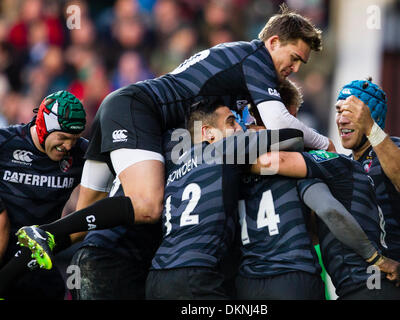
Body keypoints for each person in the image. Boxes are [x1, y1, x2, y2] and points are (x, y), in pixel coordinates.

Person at [16, 4, 336, 274]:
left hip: (122, 105)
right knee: (148, 205)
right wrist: (326, 145)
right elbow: (279, 121)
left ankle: (12, 271)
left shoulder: (238, 65)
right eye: (294, 57)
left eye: (300, 64)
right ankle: (45, 233)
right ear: (274, 42)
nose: (294, 68)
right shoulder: (255, 58)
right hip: (138, 110)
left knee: (78, 227)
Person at [237, 81, 400, 300]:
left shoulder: (327, 163)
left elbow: (326, 215)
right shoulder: (315, 167)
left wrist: (219, 157)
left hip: (369, 284)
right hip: (326, 283)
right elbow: (323, 219)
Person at [146, 97, 305, 299]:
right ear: (207, 133)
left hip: (157, 276)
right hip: (196, 275)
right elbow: (293, 137)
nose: (239, 127)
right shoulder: (226, 149)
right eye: (231, 122)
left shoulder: (172, 162)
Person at [334, 78, 400, 300]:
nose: (341, 119)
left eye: (351, 112)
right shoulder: (342, 165)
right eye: (338, 110)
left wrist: (371, 129)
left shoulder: (399, 148)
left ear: (372, 116)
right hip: (362, 280)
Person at [0, 90, 87, 299]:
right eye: (63, 137)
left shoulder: (83, 154)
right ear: (43, 126)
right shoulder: (5, 143)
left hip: (39, 265)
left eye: (74, 139)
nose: (68, 146)